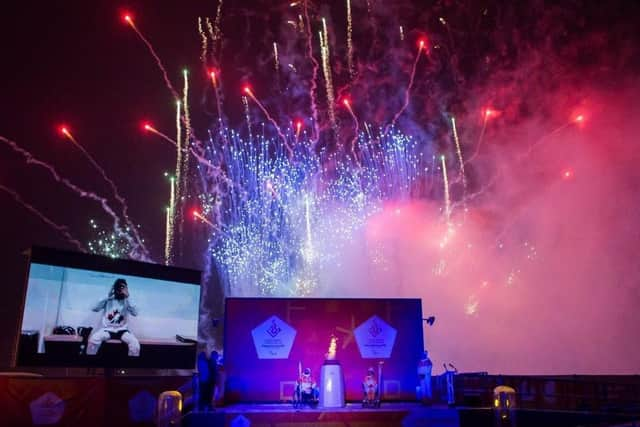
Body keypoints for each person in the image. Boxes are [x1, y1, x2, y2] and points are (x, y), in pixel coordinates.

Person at [87, 278, 140, 356]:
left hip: (122, 330)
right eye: (118, 287)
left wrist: (128, 297)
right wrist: (107, 296)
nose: (120, 289)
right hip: (107, 329)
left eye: (123, 287)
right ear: (114, 288)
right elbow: (94, 308)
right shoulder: (108, 299)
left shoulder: (127, 301)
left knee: (135, 344)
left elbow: (135, 313)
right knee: (93, 339)